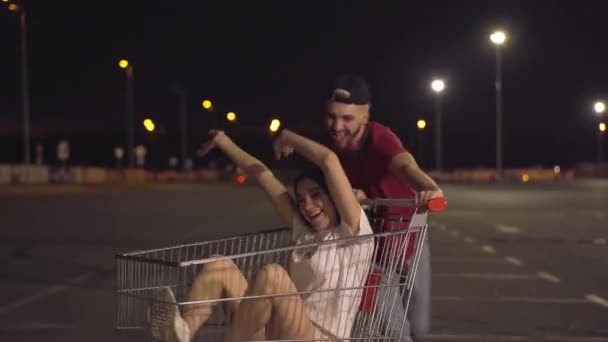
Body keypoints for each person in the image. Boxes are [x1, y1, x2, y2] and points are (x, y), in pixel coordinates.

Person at [149, 129, 375, 342]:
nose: (308, 206)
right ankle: (182, 332)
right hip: (279, 331)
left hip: (320, 338)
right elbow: (261, 174)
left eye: (316, 195)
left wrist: (288, 137)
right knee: (218, 265)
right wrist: (222, 141)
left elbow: (329, 161)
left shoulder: (352, 234)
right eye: (301, 200)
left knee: (272, 276)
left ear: (334, 196)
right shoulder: (304, 232)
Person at [322, 72, 445, 339]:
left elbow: (404, 164)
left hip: (409, 242)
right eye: (332, 117)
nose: (337, 126)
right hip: (373, 255)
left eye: (347, 118)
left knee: (420, 328)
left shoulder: (379, 138)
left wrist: (428, 187)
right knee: (394, 331)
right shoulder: (332, 152)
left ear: (365, 116)